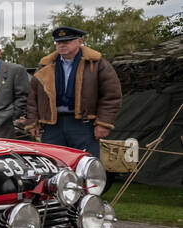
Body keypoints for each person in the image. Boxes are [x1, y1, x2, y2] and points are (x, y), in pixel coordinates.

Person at [24, 26, 123, 154]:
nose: (62, 45)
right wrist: (33, 122)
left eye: (67, 41)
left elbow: (112, 96)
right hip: (51, 126)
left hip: (84, 125)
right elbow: (33, 96)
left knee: (84, 167)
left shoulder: (97, 64)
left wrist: (103, 124)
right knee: (54, 166)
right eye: (59, 42)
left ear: (80, 41)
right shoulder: (45, 65)